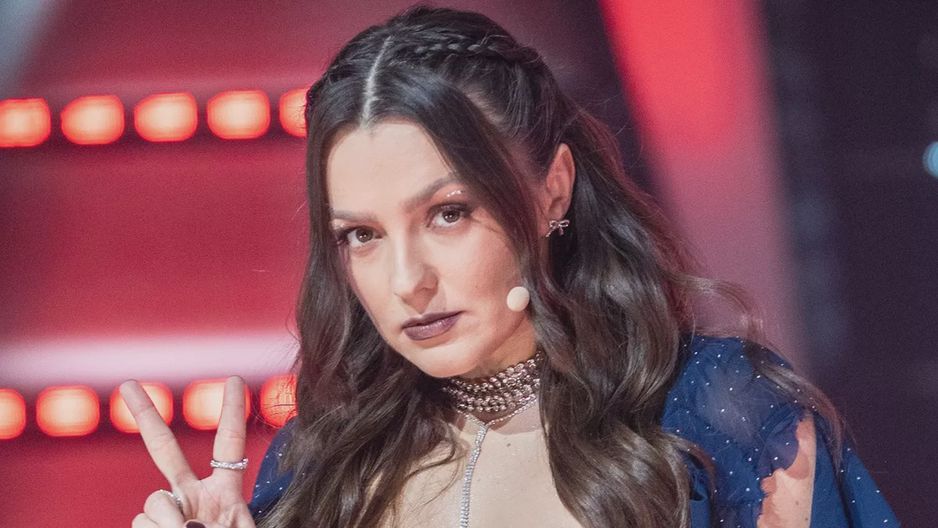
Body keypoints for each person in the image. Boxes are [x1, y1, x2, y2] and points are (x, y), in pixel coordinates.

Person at [122, 5, 900, 527]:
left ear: (552, 188)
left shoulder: (716, 413)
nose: (407, 282)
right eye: (362, 235)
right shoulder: (318, 467)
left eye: (448, 213)